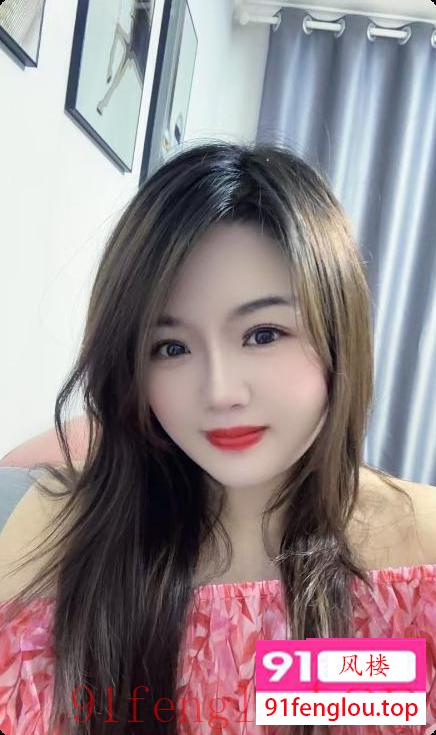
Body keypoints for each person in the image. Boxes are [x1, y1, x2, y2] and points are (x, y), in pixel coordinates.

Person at [0, 140, 436, 735]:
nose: (221, 391)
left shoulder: (420, 546)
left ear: (340, 332)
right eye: (171, 347)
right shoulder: (57, 528)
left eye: (263, 334)